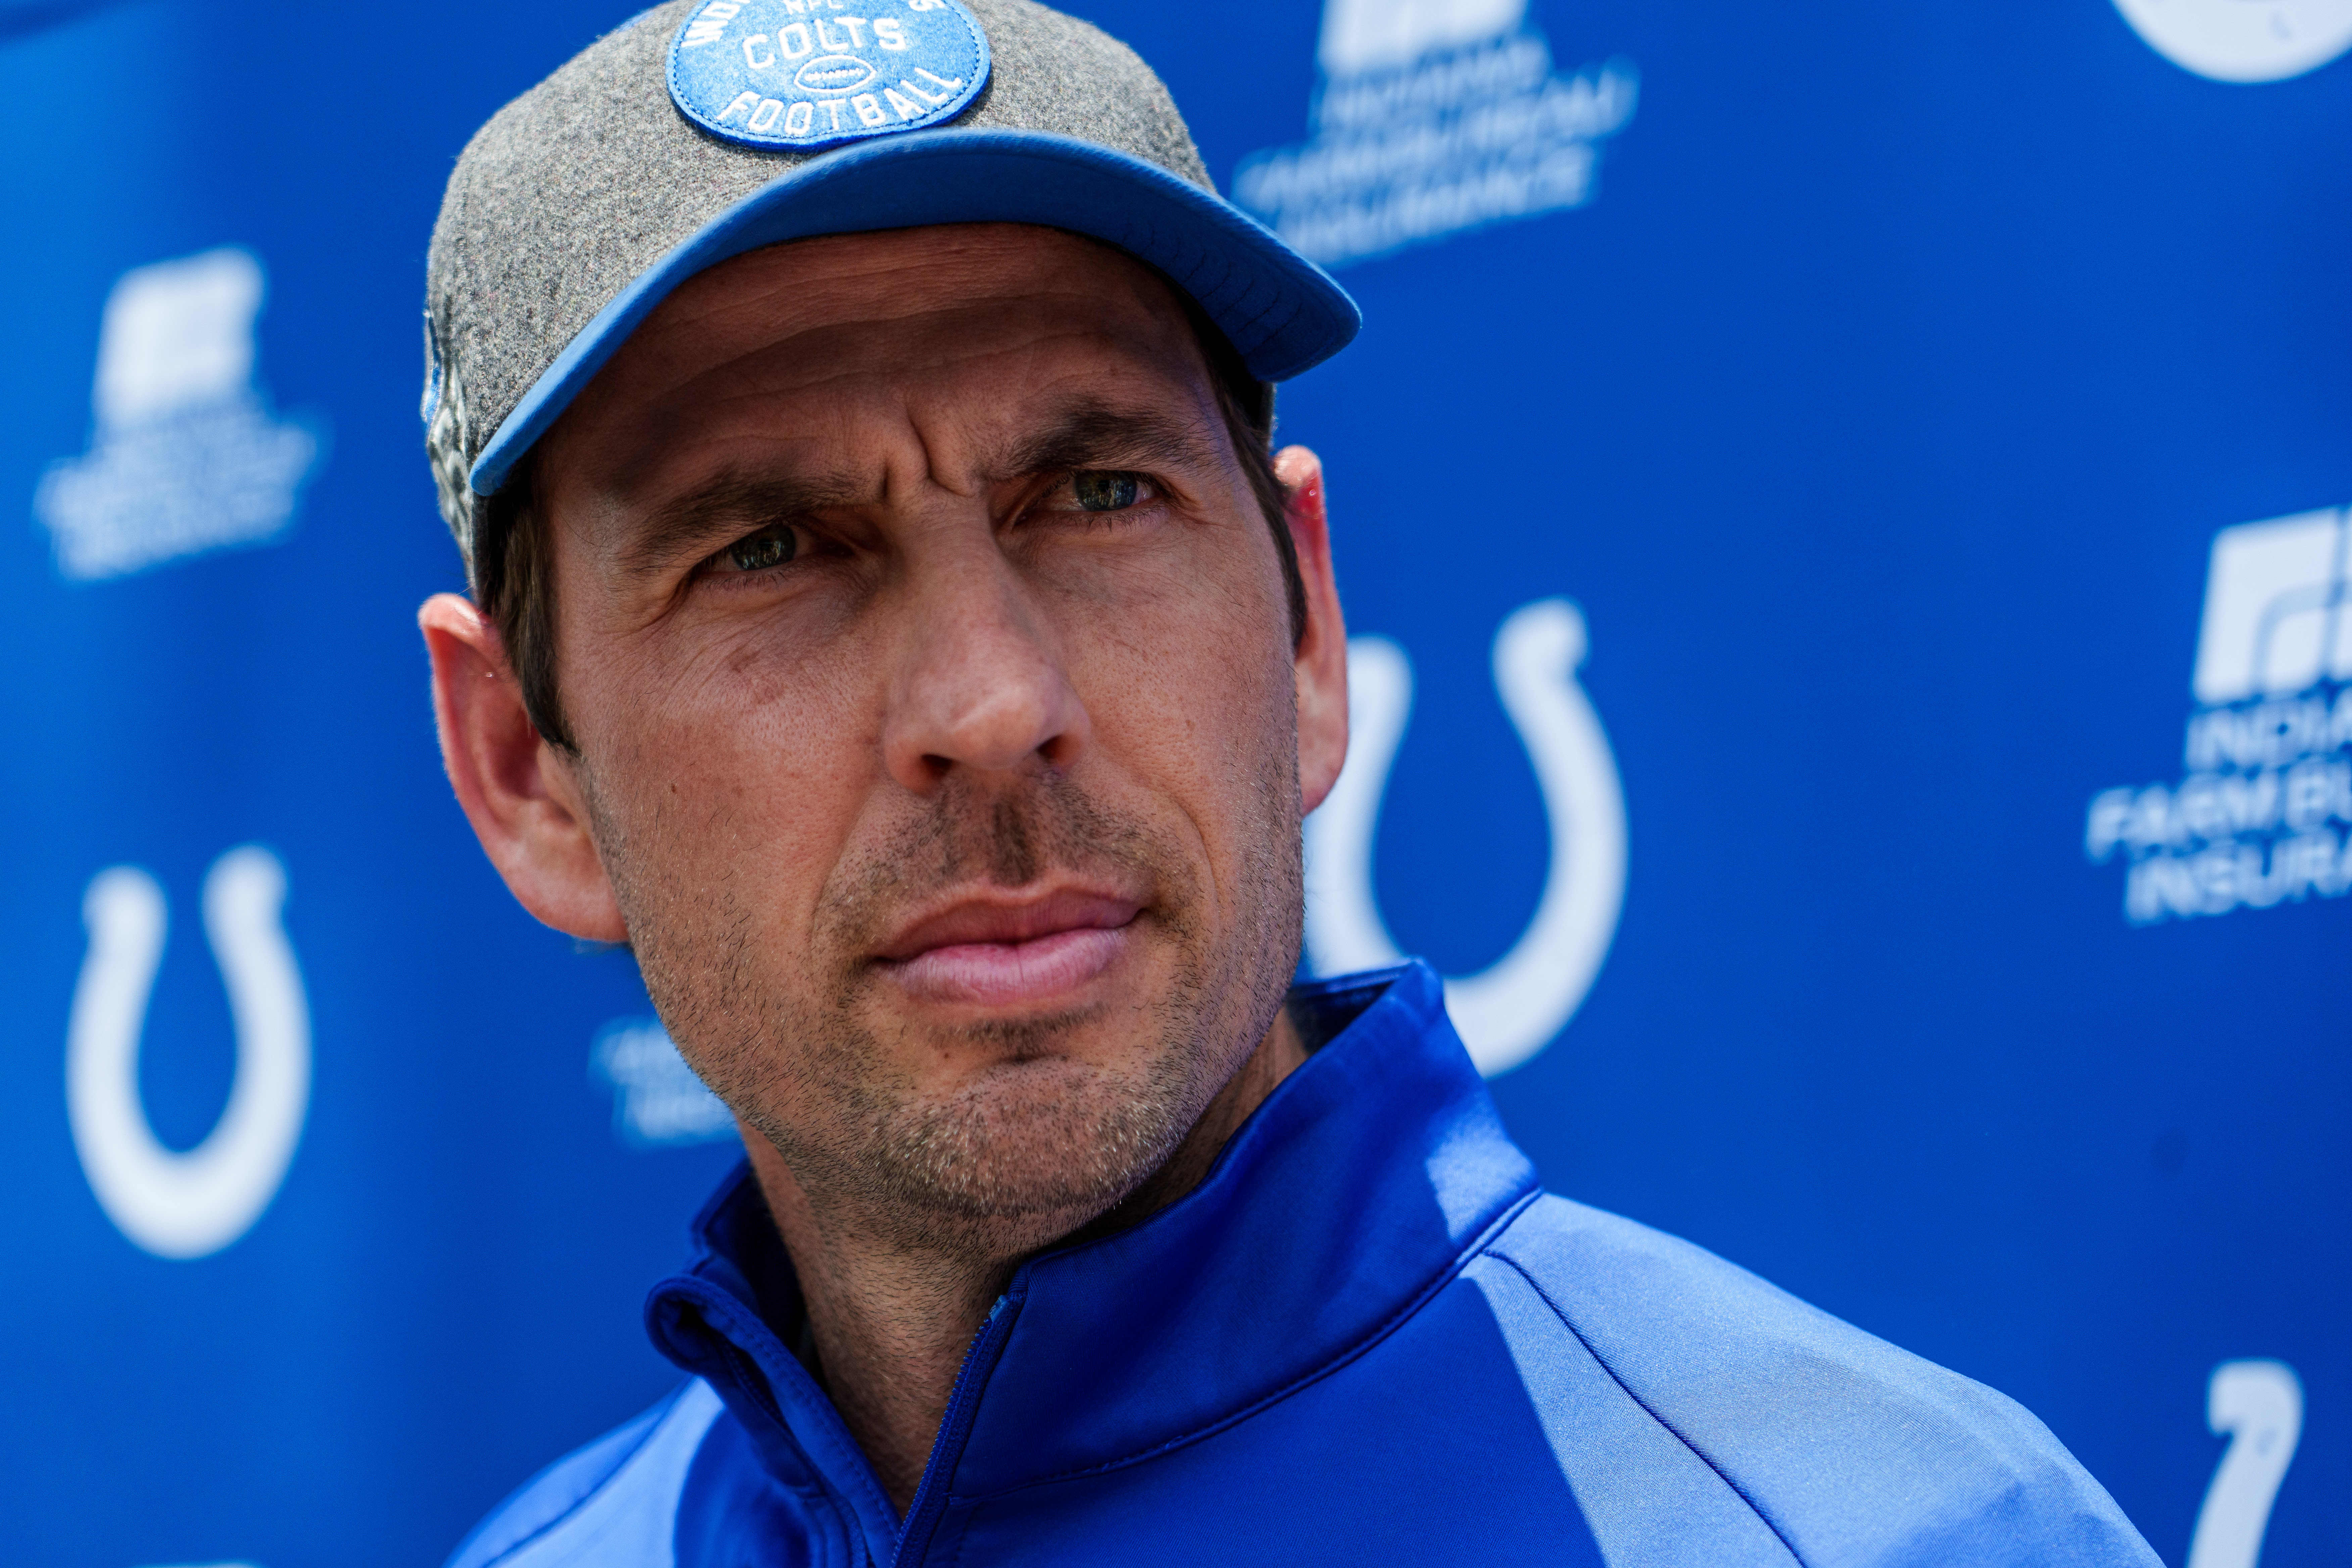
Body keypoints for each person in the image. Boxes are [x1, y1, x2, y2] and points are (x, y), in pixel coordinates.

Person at [416, 1, 2161, 1563]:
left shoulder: (1901, 1537)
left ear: (1310, 629)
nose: (993, 700)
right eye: (775, 547)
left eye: (1097, 493)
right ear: (527, 773)